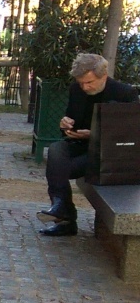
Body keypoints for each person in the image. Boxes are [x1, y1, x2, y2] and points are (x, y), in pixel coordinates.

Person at [38, 53, 139, 236]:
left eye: (90, 82)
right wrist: (65, 125)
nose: (85, 87)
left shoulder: (125, 93)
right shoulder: (76, 89)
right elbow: (72, 120)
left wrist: (94, 135)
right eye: (81, 82)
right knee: (56, 149)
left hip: (108, 153)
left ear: (104, 76)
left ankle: (65, 215)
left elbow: (130, 135)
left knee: (59, 168)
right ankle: (61, 206)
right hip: (80, 145)